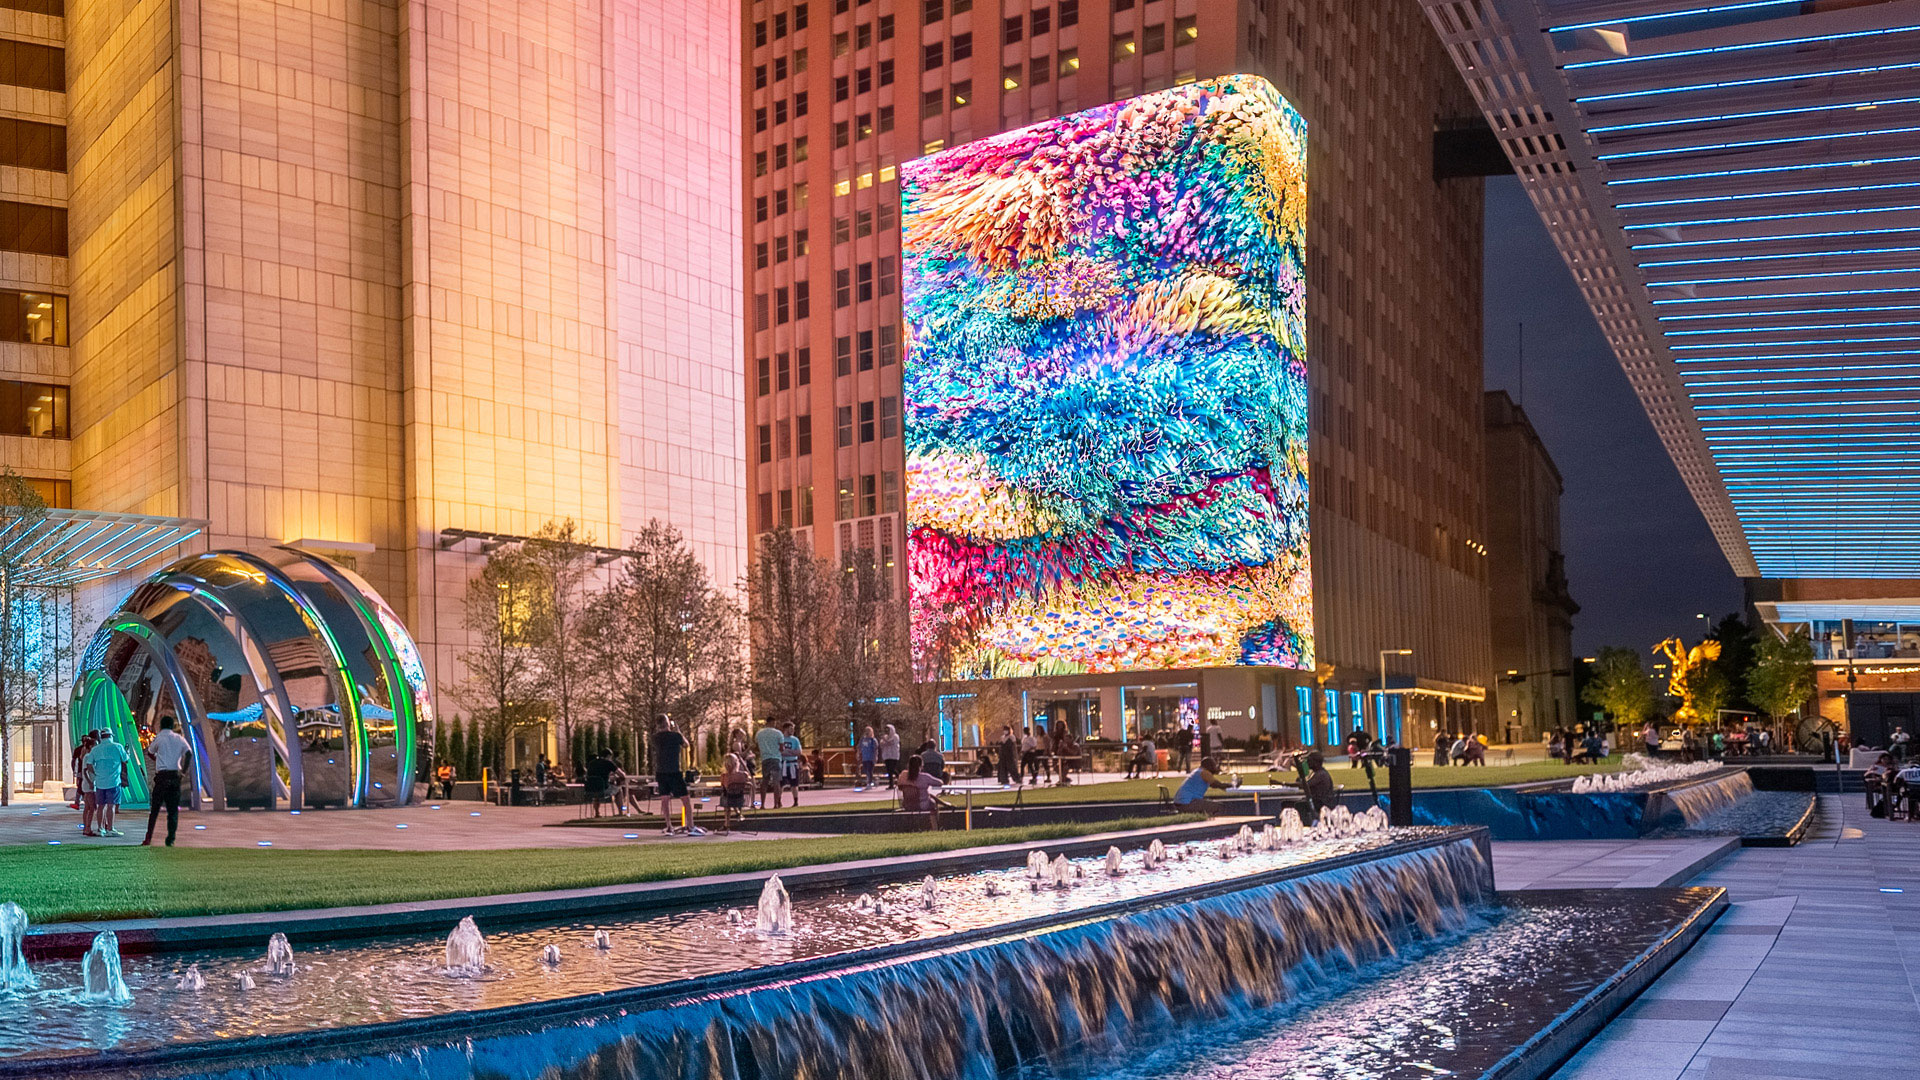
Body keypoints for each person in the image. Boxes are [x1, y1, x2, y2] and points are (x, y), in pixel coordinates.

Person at [141, 717, 192, 847]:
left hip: (162, 776)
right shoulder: (179, 738)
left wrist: (157, 759)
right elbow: (189, 754)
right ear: (172, 726)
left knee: (154, 810)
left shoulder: (159, 738)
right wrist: (184, 771)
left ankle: (148, 838)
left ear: (161, 725)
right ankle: (170, 839)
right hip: (175, 776)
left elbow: (150, 752)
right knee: (173, 811)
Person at [651, 714, 694, 834]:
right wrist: (679, 731)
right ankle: (690, 825)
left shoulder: (655, 738)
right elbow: (686, 744)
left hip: (661, 772)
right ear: (668, 723)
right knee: (685, 799)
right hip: (674, 771)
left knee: (665, 799)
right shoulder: (676, 736)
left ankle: (669, 825)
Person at [85, 730, 132, 837]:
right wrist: (127, 753)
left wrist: (96, 773)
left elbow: (89, 765)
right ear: (111, 736)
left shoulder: (96, 749)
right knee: (111, 806)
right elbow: (126, 760)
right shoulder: (118, 747)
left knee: (100, 806)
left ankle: (100, 829)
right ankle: (110, 828)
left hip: (100, 782)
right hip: (114, 781)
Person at [898, 753, 951, 829]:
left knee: (927, 795)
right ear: (921, 765)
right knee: (932, 803)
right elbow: (940, 783)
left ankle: (944, 804)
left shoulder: (903, 775)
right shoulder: (924, 777)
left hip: (907, 804)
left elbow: (900, 786)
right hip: (921, 805)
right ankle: (935, 827)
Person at [755, 717, 786, 808]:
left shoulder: (759, 733)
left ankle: (762, 804)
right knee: (776, 782)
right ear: (773, 722)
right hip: (775, 758)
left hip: (765, 758)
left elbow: (757, 746)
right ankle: (776, 804)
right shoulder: (778, 733)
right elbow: (781, 748)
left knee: (765, 781)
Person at [718, 752, 753, 832]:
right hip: (741, 800)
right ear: (737, 763)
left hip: (728, 801)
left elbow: (723, 788)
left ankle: (727, 825)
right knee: (731, 796)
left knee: (726, 796)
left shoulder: (724, 776)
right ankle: (738, 812)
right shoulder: (744, 774)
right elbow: (749, 778)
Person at [1302, 751, 1339, 823]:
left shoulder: (1321, 774)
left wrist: (1283, 783)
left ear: (1316, 762)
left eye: (1309, 761)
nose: (1307, 763)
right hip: (1319, 802)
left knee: (1298, 805)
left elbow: (1305, 785)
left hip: (1322, 804)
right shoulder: (1318, 773)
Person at [584, 747, 618, 818]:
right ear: (608, 756)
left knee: (596, 793)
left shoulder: (591, 763)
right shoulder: (608, 763)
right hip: (603, 790)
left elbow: (588, 775)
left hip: (590, 790)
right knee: (619, 790)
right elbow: (622, 774)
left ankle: (597, 813)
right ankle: (622, 811)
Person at [779, 721, 804, 805]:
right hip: (783, 764)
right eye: (791, 728)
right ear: (786, 729)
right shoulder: (781, 739)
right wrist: (791, 752)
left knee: (794, 784)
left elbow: (799, 752)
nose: (792, 730)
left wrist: (789, 751)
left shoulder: (795, 739)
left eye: (793, 728)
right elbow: (781, 752)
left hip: (793, 764)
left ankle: (795, 801)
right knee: (781, 784)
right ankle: (778, 801)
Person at [879, 724, 902, 789]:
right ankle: (891, 784)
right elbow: (882, 745)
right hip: (887, 756)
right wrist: (884, 741)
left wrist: (885, 741)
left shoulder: (895, 736)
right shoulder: (885, 737)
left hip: (894, 756)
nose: (887, 731)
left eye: (888, 729)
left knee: (892, 769)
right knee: (889, 771)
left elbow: (890, 743)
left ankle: (900, 779)